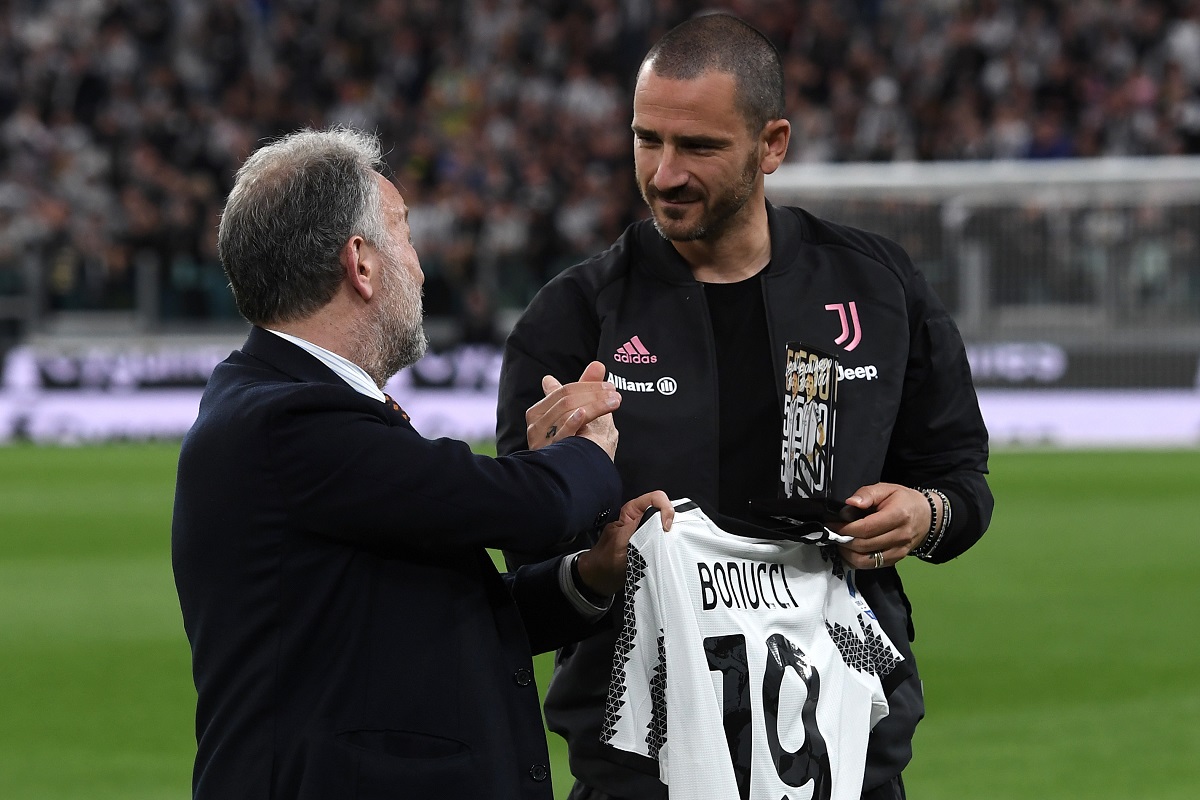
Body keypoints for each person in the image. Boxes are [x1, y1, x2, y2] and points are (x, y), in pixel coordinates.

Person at [497, 13, 993, 800]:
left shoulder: (876, 287)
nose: (664, 174)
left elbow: (961, 481)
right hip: (642, 774)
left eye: (698, 147)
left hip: (846, 762)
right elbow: (527, 582)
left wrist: (924, 515)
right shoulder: (571, 320)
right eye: (647, 140)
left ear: (772, 145)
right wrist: (586, 552)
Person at [171, 126, 674, 800]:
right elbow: (521, 503)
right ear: (361, 263)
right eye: (405, 235)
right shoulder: (290, 421)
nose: (420, 266)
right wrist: (589, 448)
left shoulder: (277, 405)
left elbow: (431, 620)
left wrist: (588, 577)